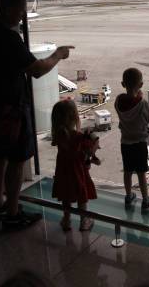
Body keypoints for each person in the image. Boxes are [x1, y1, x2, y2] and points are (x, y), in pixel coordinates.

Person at [0, 0, 72, 228]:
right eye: (20, 10)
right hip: (11, 109)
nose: (23, 15)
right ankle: (13, 214)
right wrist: (58, 55)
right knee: (16, 161)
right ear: (6, 9)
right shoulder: (8, 38)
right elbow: (37, 70)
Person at [50, 99, 97, 232]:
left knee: (66, 195)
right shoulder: (78, 136)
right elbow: (88, 150)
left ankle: (66, 220)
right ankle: (84, 221)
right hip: (77, 170)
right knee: (82, 195)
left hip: (63, 171)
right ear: (74, 117)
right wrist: (91, 139)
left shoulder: (59, 136)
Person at [114, 68, 149, 213]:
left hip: (125, 143)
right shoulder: (142, 103)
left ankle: (128, 196)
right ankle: (145, 200)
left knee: (127, 171)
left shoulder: (118, 101)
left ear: (122, 84)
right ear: (141, 84)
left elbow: (124, 107)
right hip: (139, 143)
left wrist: (137, 97)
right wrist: (140, 98)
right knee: (141, 173)